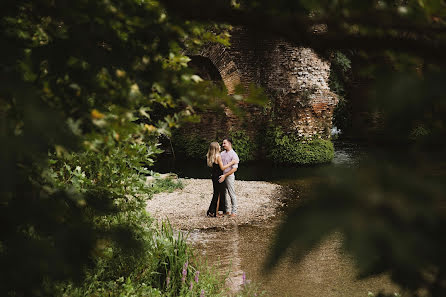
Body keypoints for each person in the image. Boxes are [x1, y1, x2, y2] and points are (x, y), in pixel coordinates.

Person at [206, 142, 237, 217]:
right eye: (219, 145)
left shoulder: (211, 155)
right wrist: (231, 162)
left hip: (214, 176)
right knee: (218, 194)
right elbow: (222, 168)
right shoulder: (218, 156)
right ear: (216, 148)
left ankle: (211, 211)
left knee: (215, 193)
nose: (220, 146)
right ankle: (215, 213)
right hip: (219, 177)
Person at [219, 137, 240, 217]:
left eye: (225, 143)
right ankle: (227, 210)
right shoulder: (222, 154)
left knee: (231, 193)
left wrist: (225, 175)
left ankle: (234, 211)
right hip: (222, 176)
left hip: (229, 176)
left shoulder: (234, 155)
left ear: (229, 144)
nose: (223, 145)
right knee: (223, 193)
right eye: (223, 143)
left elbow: (234, 169)